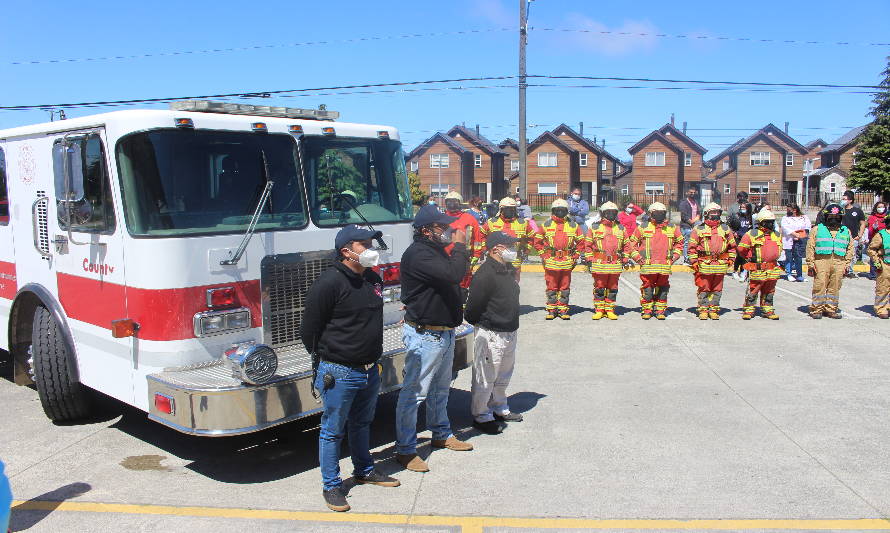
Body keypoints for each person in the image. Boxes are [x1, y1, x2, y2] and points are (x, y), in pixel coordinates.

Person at [301, 224, 400, 512]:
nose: (370, 249)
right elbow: (309, 331)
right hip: (340, 371)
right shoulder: (329, 283)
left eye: (370, 242)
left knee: (362, 423)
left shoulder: (372, 278)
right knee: (332, 431)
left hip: (370, 368)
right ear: (346, 251)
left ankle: (364, 470)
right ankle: (331, 486)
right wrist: (326, 360)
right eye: (363, 244)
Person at [396, 205, 474, 474]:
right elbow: (454, 274)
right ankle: (406, 449)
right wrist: (462, 247)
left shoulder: (435, 251)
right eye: (442, 227)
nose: (449, 230)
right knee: (415, 394)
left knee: (441, 389)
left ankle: (440, 433)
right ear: (426, 230)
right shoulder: (418, 254)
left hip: (444, 331)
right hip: (425, 335)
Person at [464, 231, 522, 435]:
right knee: (485, 377)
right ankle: (481, 415)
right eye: (510, 246)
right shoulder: (485, 273)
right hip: (491, 333)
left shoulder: (508, 269)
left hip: (509, 330)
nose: (514, 250)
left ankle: (499, 407)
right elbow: (472, 309)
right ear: (496, 248)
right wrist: (484, 325)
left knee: (503, 375)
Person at [628, 202, 682, 320]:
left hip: (664, 266)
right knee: (647, 288)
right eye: (656, 212)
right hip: (648, 266)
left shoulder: (672, 228)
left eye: (662, 213)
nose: (659, 215)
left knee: (663, 288)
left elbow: (680, 242)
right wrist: (637, 257)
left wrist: (675, 257)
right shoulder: (642, 227)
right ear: (651, 213)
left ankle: (660, 310)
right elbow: (631, 244)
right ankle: (647, 309)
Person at [534, 198, 584, 320]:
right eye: (558, 210)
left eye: (563, 210)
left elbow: (581, 242)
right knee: (551, 286)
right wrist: (544, 255)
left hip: (567, 261)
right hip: (551, 261)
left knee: (565, 287)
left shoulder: (573, 225)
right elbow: (537, 241)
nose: (560, 212)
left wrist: (575, 256)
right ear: (553, 211)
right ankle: (552, 310)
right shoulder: (546, 225)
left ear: (567, 211)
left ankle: (563, 310)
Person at [805, 203, 856, 319]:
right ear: (826, 217)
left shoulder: (845, 231)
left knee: (835, 286)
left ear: (841, 217)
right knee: (820, 286)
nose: (834, 219)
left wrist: (847, 264)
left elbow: (850, 248)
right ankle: (816, 309)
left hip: (839, 262)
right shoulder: (817, 229)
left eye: (837, 217)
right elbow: (810, 247)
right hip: (821, 261)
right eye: (831, 217)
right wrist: (810, 264)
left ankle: (831, 309)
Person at [687, 202, 737, 320]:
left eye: (717, 212)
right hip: (704, 264)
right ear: (706, 214)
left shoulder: (725, 228)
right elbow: (692, 248)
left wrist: (731, 259)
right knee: (704, 287)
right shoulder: (698, 229)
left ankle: (714, 309)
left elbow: (732, 246)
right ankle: (703, 309)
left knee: (717, 288)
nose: (715, 214)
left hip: (720, 265)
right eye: (713, 212)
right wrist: (694, 261)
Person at [585, 201, 631, 320]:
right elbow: (588, 245)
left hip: (615, 264)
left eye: (613, 212)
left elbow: (627, 245)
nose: (611, 214)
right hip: (599, 264)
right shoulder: (594, 227)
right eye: (608, 212)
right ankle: (599, 310)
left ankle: (610, 309)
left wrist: (625, 258)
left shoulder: (621, 228)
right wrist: (589, 259)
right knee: (599, 287)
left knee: (613, 287)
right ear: (602, 213)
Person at [736, 209, 783, 320]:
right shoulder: (752, 234)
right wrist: (749, 258)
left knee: (770, 290)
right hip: (757, 268)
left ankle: (767, 309)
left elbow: (780, 249)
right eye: (768, 222)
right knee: (753, 289)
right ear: (760, 222)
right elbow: (742, 249)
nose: (770, 224)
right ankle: (749, 309)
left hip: (772, 269)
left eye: (772, 221)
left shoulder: (776, 235)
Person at [479, 197, 534, 281]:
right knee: (495, 286)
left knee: (513, 287)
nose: (509, 211)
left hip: (515, 260)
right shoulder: (491, 222)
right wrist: (485, 249)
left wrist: (526, 251)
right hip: (496, 259)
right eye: (506, 208)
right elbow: (481, 235)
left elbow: (531, 237)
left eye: (512, 209)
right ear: (501, 209)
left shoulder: (523, 223)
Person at [443, 191, 483, 303]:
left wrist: (475, 256)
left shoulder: (469, 219)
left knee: (463, 284)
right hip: (444, 258)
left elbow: (477, 240)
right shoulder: (440, 219)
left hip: (464, 257)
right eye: (449, 202)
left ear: (460, 203)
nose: (451, 204)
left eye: (454, 202)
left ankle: (461, 308)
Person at [866, 210, 890, 319]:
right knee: (883, 288)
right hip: (885, 265)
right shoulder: (882, 234)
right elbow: (871, 249)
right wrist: (877, 262)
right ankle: (881, 309)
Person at [780, 203, 812, 282]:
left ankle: (799, 275)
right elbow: (785, 228)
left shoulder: (804, 218)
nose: (787, 211)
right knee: (789, 257)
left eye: (789, 210)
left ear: (795, 210)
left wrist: (800, 235)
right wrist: (794, 234)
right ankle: (789, 274)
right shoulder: (785, 218)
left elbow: (807, 227)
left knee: (798, 258)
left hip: (800, 240)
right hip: (789, 240)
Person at [727, 192, 754, 282]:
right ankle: (735, 271)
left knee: (746, 256)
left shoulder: (750, 217)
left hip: (747, 238)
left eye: (744, 208)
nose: (742, 209)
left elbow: (752, 227)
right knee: (739, 254)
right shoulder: (737, 215)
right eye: (741, 207)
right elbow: (729, 223)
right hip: (738, 237)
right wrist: (733, 232)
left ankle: (743, 271)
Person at [840, 190, 866, 278]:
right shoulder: (839, 210)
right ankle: (842, 271)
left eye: (845, 199)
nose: (843, 200)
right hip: (841, 237)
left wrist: (860, 235)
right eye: (842, 199)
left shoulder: (857, 211)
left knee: (852, 255)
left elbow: (862, 223)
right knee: (841, 255)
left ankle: (849, 271)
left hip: (853, 238)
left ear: (850, 200)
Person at [865, 201, 887, 280]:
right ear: (876, 208)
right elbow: (870, 231)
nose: (881, 209)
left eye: (882, 207)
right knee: (874, 257)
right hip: (874, 240)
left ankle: (882, 272)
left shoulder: (886, 217)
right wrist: (874, 228)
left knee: (884, 256)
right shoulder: (872, 217)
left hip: (885, 240)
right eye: (879, 207)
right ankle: (873, 274)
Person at [679, 185, 701, 261]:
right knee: (687, 243)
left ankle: (693, 257)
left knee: (694, 243)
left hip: (694, 225)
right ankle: (686, 259)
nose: (692, 194)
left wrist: (697, 220)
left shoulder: (695, 202)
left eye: (694, 192)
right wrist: (692, 222)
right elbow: (684, 216)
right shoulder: (684, 203)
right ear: (687, 193)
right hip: (686, 226)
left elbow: (698, 212)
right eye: (691, 192)